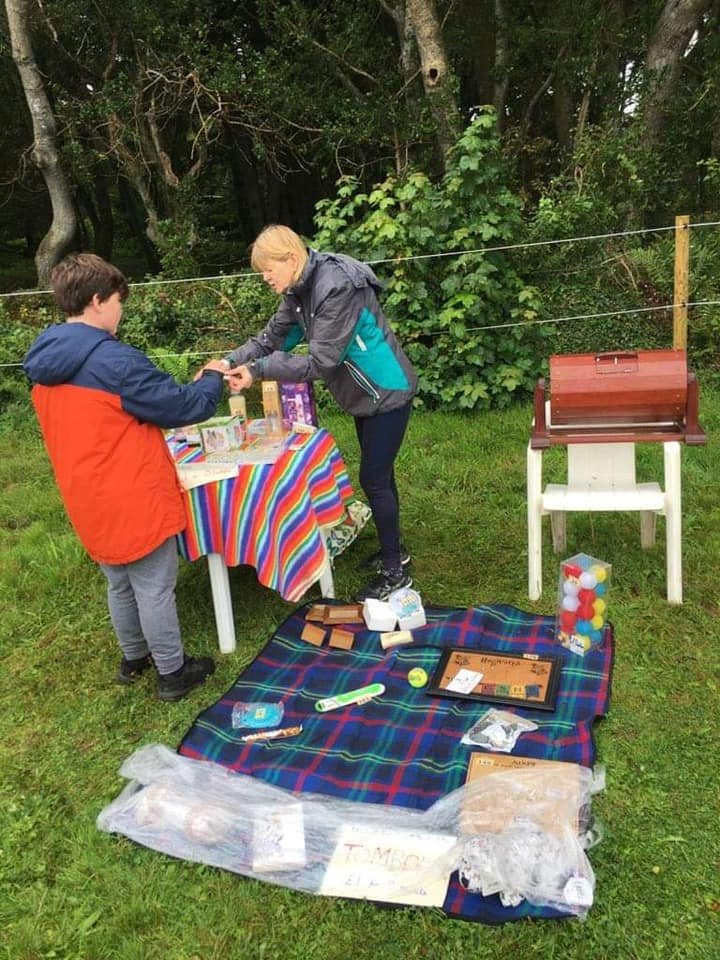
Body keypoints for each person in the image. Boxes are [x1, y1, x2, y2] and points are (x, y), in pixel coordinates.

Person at [23, 253, 226, 701]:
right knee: (154, 585)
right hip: (131, 491)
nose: (121, 310)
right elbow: (182, 407)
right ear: (97, 301)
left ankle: (134, 658)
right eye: (118, 301)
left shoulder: (44, 356)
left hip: (84, 492)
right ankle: (172, 673)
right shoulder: (114, 361)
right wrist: (212, 379)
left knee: (119, 580)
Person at [219, 225, 418, 601]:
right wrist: (229, 360)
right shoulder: (299, 289)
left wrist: (259, 371)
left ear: (291, 259)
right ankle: (397, 553)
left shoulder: (336, 286)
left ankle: (396, 571)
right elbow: (272, 338)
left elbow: (322, 362)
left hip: (386, 389)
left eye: (267, 270)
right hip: (363, 396)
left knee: (374, 478)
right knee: (380, 476)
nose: (264, 278)